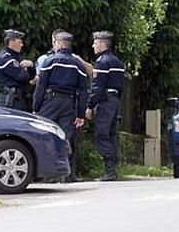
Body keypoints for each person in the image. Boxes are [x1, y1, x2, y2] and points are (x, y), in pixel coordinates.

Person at [33, 31, 87, 182]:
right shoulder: (78, 66)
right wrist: (81, 114)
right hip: (69, 104)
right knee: (66, 137)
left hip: (50, 101)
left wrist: (36, 107)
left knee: (44, 134)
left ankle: (44, 174)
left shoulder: (50, 61)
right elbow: (83, 91)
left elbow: (41, 86)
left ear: (59, 43)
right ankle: (66, 174)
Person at [85, 31, 125, 181]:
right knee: (111, 135)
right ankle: (113, 169)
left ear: (102, 44)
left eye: (95, 43)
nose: (93, 45)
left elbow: (97, 87)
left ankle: (109, 171)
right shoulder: (117, 62)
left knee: (101, 134)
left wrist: (90, 106)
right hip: (114, 100)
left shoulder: (102, 62)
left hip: (105, 101)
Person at [0, 29, 36, 111]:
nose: (22, 45)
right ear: (11, 42)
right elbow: (22, 77)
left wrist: (31, 65)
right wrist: (26, 72)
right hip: (9, 100)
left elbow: (31, 77)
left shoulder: (15, 57)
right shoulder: (5, 58)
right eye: (19, 42)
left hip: (18, 99)